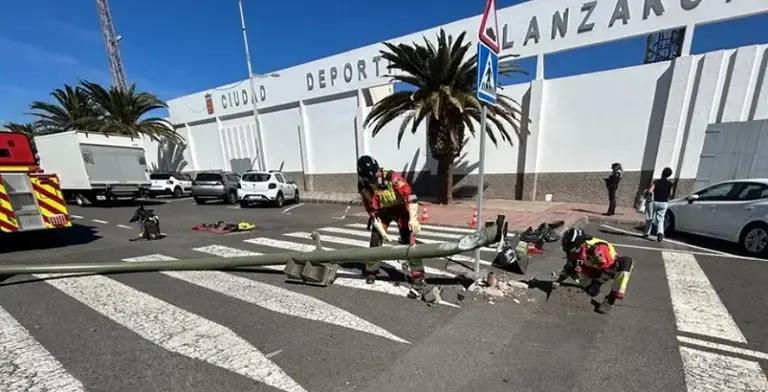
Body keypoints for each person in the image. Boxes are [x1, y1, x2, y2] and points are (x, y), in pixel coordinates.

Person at [356, 155, 425, 289]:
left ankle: (418, 275)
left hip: (400, 209)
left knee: (408, 240)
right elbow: (370, 209)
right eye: (370, 179)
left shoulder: (391, 176)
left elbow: (410, 195)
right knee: (375, 239)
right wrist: (380, 229)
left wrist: (413, 218)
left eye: (375, 176)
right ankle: (372, 271)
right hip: (382, 213)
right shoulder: (363, 186)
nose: (375, 180)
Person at [559, 227, 634, 314]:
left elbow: (608, 269)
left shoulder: (597, 249)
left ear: (581, 244)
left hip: (612, 268)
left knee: (626, 263)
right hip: (595, 266)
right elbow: (569, 265)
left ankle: (610, 301)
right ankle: (588, 287)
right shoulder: (575, 249)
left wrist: (597, 284)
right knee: (574, 269)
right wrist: (558, 280)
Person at [644, 167, 673, 242]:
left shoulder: (656, 182)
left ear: (662, 173)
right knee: (661, 219)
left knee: (649, 217)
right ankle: (660, 233)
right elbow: (670, 194)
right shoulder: (670, 184)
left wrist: (647, 193)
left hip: (654, 202)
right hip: (664, 203)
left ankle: (647, 233)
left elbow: (650, 191)